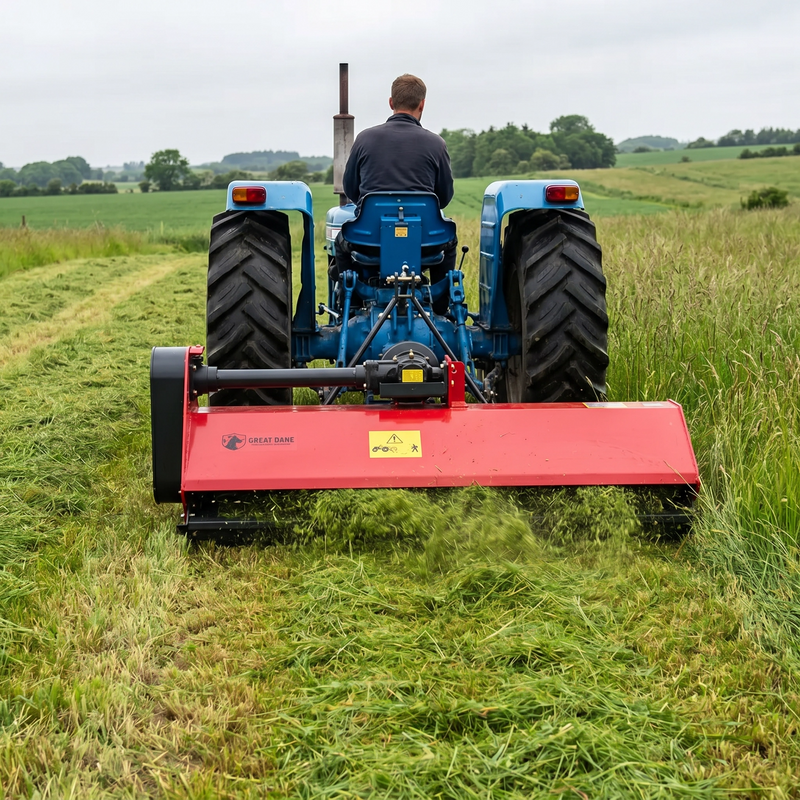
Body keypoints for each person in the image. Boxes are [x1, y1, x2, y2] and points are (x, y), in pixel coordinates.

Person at [335, 74, 457, 290]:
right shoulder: (437, 144)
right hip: (424, 244)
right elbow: (444, 197)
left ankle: (351, 297)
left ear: (391, 102)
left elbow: (351, 189)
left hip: (368, 242)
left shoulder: (364, 138)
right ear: (422, 104)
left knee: (341, 242)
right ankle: (440, 301)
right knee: (449, 242)